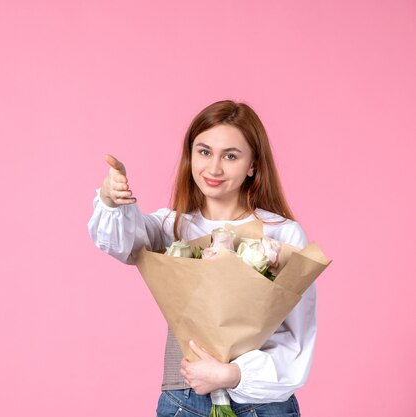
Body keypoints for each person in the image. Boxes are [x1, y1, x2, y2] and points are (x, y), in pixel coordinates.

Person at [87, 100, 315, 417]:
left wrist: (233, 375)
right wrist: (111, 200)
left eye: (231, 156)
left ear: (253, 164)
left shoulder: (283, 235)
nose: (213, 168)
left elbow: (297, 336)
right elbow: (120, 242)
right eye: (204, 152)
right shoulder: (172, 227)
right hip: (183, 401)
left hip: (263, 407)